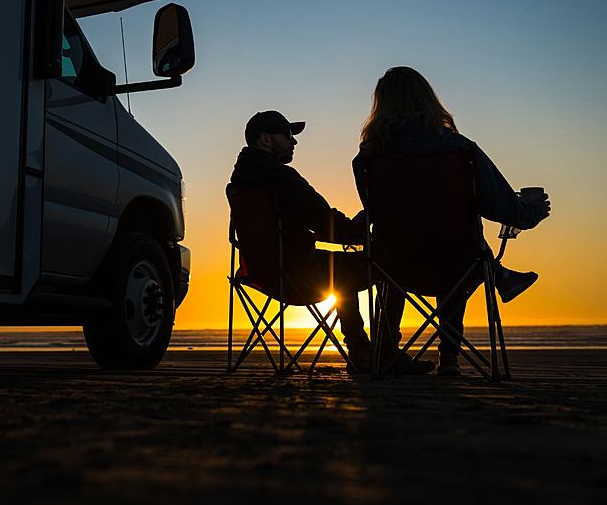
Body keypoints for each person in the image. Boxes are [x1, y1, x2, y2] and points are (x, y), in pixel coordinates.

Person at [352, 66, 551, 376]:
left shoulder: (367, 159)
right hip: (457, 263)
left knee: (401, 249)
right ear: (428, 99)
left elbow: (378, 214)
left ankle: (385, 354)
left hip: (394, 265)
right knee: (457, 247)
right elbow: (506, 211)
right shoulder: (461, 150)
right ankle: (450, 361)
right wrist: (533, 209)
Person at [229, 110, 434, 375]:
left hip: (262, 274)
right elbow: (327, 223)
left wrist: (349, 232)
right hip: (299, 274)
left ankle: (360, 350)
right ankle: (383, 352)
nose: (294, 142)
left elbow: (311, 227)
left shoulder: (240, 183)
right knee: (387, 266)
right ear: (266, 140)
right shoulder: (281, 178)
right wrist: (365, 227)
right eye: (288, 135)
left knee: (343, 269)